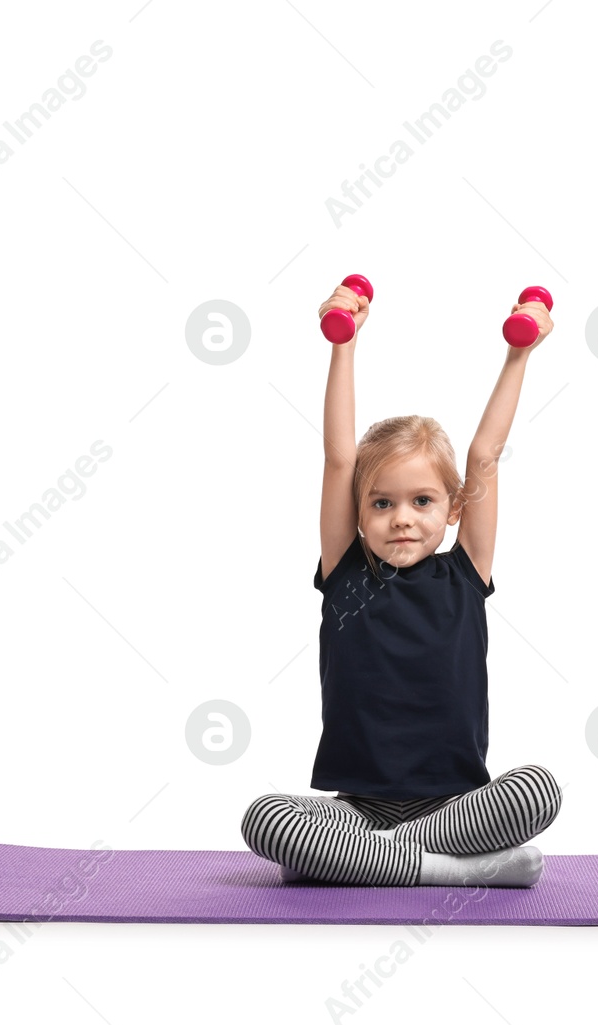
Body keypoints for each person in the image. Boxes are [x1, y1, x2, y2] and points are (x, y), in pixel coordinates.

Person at [240, 281, 563, 888]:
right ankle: (448, 872)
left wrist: (521, 353)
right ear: (359, 513)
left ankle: (376, 862)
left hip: (455, 808)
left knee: (537, 791)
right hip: (357, 809)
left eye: (422, 501)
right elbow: (339, 458)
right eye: (381, 502)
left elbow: (485, 456)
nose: (403, 518)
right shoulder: (345, 575)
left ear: (454, 508)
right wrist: (345, 343)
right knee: (266, 819)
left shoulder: (466, 574)